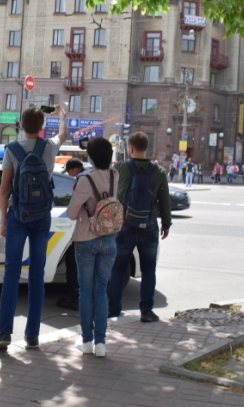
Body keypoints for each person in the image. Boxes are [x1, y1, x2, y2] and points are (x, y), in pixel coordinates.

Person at [0, 105, 67, 351]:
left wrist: (4, 220)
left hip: (17, 216)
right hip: (41, 217)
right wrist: (62, 114)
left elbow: (3, 190)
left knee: (11, 273)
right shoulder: (49, 147)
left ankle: (4, 332)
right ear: (42, 127)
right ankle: (32, 335)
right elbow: (63, 135)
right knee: (37, 275)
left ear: (22, 126)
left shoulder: (11, 150)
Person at [108, 132, 172, 323]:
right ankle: (146, 311)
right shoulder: (159, 171)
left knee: (118, 268)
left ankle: (113, 309)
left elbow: (114, 196)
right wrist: (166, 224)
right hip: (149, 226)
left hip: (124, 226)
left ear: (130, 148)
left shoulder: (120, 167)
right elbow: (165, 201)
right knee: (149, 270)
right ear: (146, 148)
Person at [66, 137, 118, 357]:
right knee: (101, 290)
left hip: (86, 239)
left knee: (85, 290)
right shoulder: (116, 175)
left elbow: (70, 213)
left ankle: (87, 342)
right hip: (109, 239)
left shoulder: (86, 180)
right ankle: (102, 344)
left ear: (92, 157)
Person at [56, 156, 86, 311]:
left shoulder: (81, 180)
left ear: (75, 169)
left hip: (82, 229)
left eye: (69, 171)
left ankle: (73, 297)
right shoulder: (93, 175)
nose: (68, 175)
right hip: (95, 229)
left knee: (73, 263)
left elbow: (75, 206)